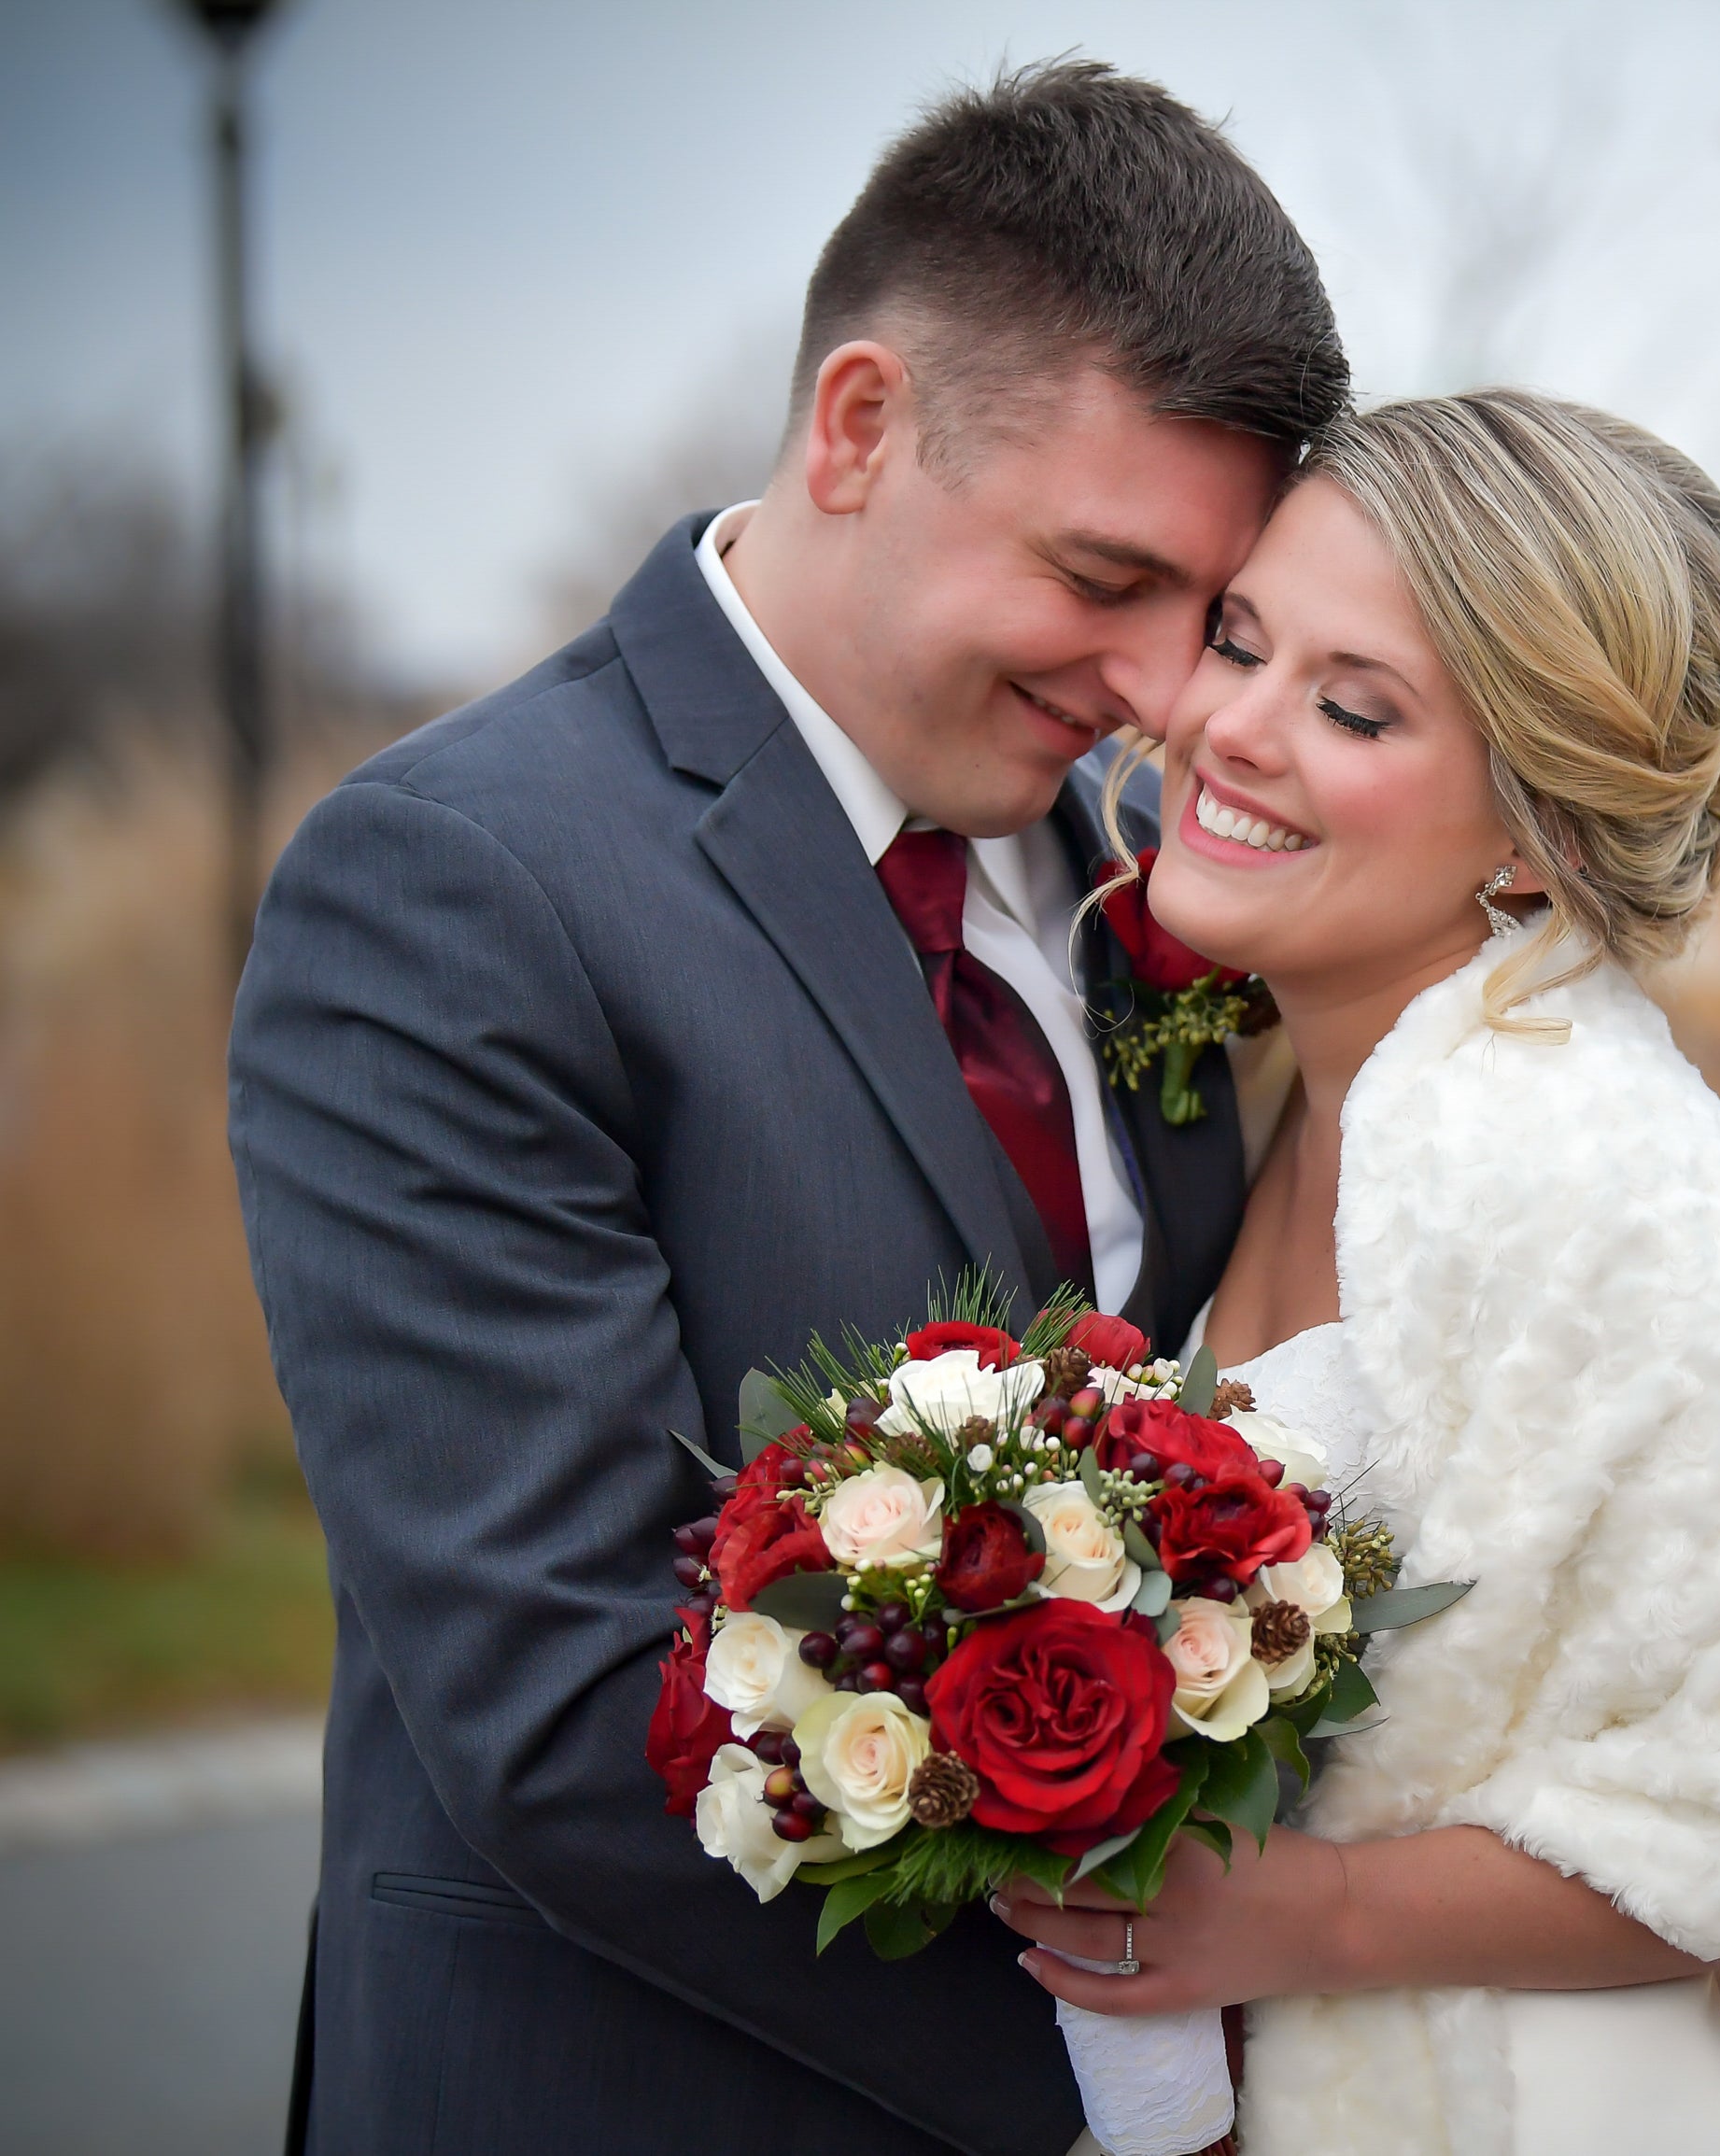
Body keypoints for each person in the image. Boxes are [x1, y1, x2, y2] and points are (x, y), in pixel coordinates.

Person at [227, 60, 1346, 2156]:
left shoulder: (1153, 871)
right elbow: (566, 1706)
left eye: (1204, 611)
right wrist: (1156, 2065)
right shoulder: (463, 883)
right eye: (1102, 577)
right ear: (858, 428)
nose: (1164, 686)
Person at [992, 389, 1720, 2154]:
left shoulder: (1589, 1173)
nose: (1229, 730)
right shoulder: (1286, 1077)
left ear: (1533, 822)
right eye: (1239, 640)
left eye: (1354, 704)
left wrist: (1305, 1915)